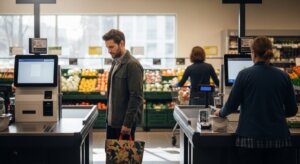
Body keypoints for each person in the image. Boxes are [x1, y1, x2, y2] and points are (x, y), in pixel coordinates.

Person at [214, 36, 298, 164]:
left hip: (249, 140)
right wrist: (275, 113)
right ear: (270, 52)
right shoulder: (284, 76)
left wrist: (219, 113)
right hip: (278, 140)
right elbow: (292, 110)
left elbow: (231, 106)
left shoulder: (243, 75)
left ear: (253, 53)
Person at [103, 29, 144, 140]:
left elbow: (136, 96)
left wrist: (127, 123)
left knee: (124, 156)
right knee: (112, 155)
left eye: (111, 47)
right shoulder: (115, 62)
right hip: (112, 121)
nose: (109, 51)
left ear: (121, 43)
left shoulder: (132, 65)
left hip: (123, 124)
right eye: (107, 47)